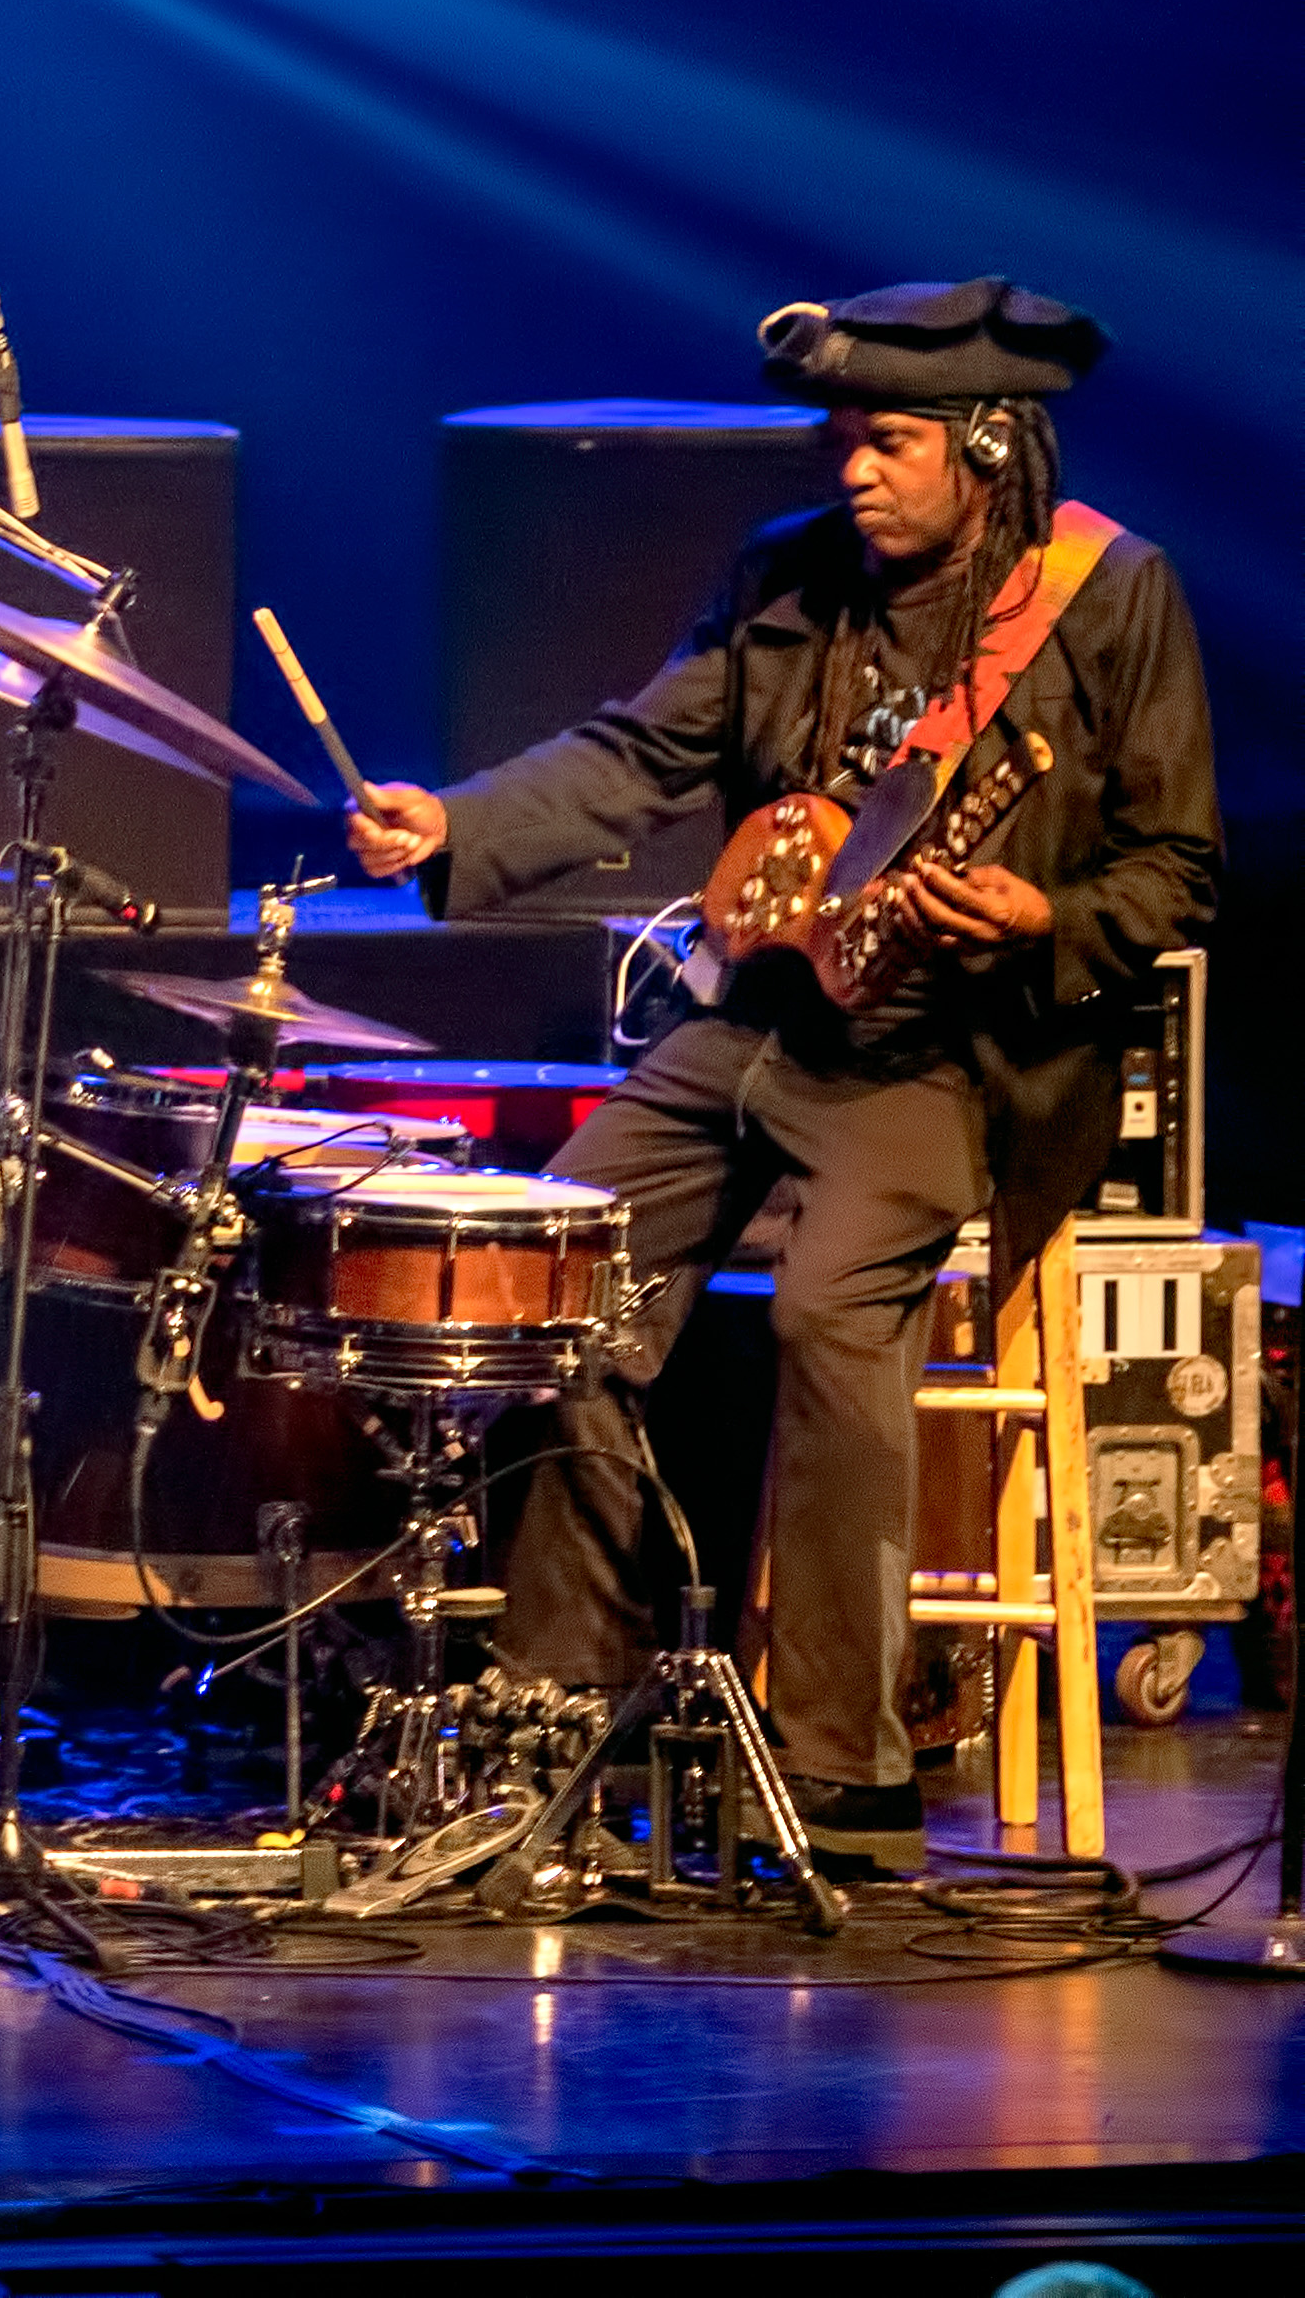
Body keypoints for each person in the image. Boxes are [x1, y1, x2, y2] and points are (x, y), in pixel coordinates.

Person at [345, 278, 1215, 1869]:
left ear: (989, 445)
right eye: (844, 445)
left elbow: (1176, 868)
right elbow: (637, 755)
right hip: (751, 1020)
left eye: (890, 444)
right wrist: (458, 824)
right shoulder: (783, 582)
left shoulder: (1107, 594)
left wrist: (1045, 916)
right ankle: (560, 1714)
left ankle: (842, 1768)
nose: (855, 474)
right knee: (559, 1263)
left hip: (951, 1051)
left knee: (830, 1310)